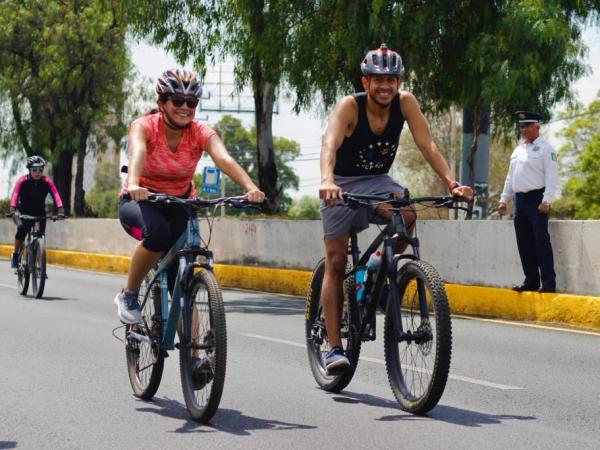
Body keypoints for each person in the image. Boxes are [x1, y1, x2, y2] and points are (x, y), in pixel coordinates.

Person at [318, 44, 473, 372]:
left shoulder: (406, 103)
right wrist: (327, 180)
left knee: (407, 215)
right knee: (336, 261)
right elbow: (329, 143)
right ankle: (333, 348)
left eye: (391, 79)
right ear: (366, 82)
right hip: (341, 183)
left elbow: (427, 144)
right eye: (378, 80)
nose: (385, 86)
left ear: (399, 82)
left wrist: (451, 183)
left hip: (378, 182)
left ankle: (374, 269)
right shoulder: (350, 106)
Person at [115, 68, 265, 324]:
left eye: (192, 102)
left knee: (182, 275)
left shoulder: (200, 131)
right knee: (158, 234)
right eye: (177, 101)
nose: (185, 107)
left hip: (180, 202)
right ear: (161, 103)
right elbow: (138, 152)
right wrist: (135, 184)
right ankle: (128, 294)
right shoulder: (144, 126)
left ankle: (195, 346)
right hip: (140, 200)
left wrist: (250, 187)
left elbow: (224, 159)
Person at [497, 111, 559, 293]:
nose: (523, 129)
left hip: (537, 200)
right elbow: (510, 177)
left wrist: (546, 200)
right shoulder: (518, 150)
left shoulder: (547, 149)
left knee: (541, 241)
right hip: (520, 201)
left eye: (527, 126)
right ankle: (531, 280)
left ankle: (548, 283)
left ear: (537, 127)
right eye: (521, 126)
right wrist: (503, 199)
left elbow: (552, 176)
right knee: (524, 243)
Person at [8, 155, 65, 268]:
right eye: (34, 170)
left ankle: (39, 266)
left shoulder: (47, 181)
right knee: (22, 231)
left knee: (39, 235)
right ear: (29, 170)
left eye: (40, 170)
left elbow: (55, 195)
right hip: (24, 213)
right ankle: (15, 255)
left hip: (39, 214)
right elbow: (15, 195)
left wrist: (60, 210)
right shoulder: (22, 181)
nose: (38, 173)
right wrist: (13, 209)